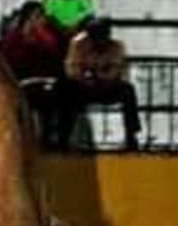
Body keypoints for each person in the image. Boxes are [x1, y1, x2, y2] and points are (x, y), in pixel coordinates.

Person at [55, 15, 141, 151]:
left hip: (107, 87)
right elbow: (72, 69)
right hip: (83, 87)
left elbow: (118, 70)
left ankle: (131, 135)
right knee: (65, 88)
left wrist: (102, 76)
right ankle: (63, 136)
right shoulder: (78, 44)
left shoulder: (116, 46)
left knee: (127, 90)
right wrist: (85, 77)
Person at [0, 0, 66, 141]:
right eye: (35, 17)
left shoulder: (48, 36)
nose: (39, 20)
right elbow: (9, 61)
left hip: (45, 80)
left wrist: (40, 38)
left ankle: (51, 139)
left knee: (57, 93)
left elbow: (54, 57)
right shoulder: (14, 37)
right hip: (20, 81)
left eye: (41, 17)